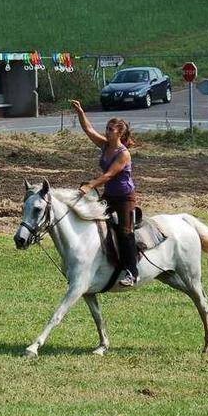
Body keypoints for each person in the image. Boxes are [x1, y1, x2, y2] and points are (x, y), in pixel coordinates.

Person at [70, 99, 138, 287]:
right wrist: (80, 112)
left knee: (125, 233)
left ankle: (132, 272)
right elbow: (89, 130)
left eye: (110, 129)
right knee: (94, 222)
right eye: (107, 128)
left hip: (124, 197)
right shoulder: (105, 145)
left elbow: (109, 175)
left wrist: (90, 185)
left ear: (120, 132)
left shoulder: (123, 154)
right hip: (109, 196)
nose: (106, 131)